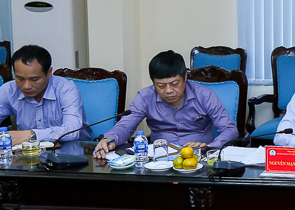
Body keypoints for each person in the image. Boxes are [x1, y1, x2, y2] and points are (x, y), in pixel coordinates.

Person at [94, 50, 238, 158]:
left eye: (174, 84)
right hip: (158, 161)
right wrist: (109, 139)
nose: (168, 91)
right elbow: (125, 126)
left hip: (199, 159)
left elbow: (230, 129)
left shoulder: (205, 95)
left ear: (185, 77)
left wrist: (210, 147)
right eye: (161, 86)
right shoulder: (145, 97)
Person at [0, 44, 90, 144]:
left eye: (34, 79)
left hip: (73, 148)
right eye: (20, 78)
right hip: (30, 150)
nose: (26, 86)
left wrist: (30, 135)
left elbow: (72, 130)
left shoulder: (66, 89)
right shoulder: (8, 90)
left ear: (49, 72)